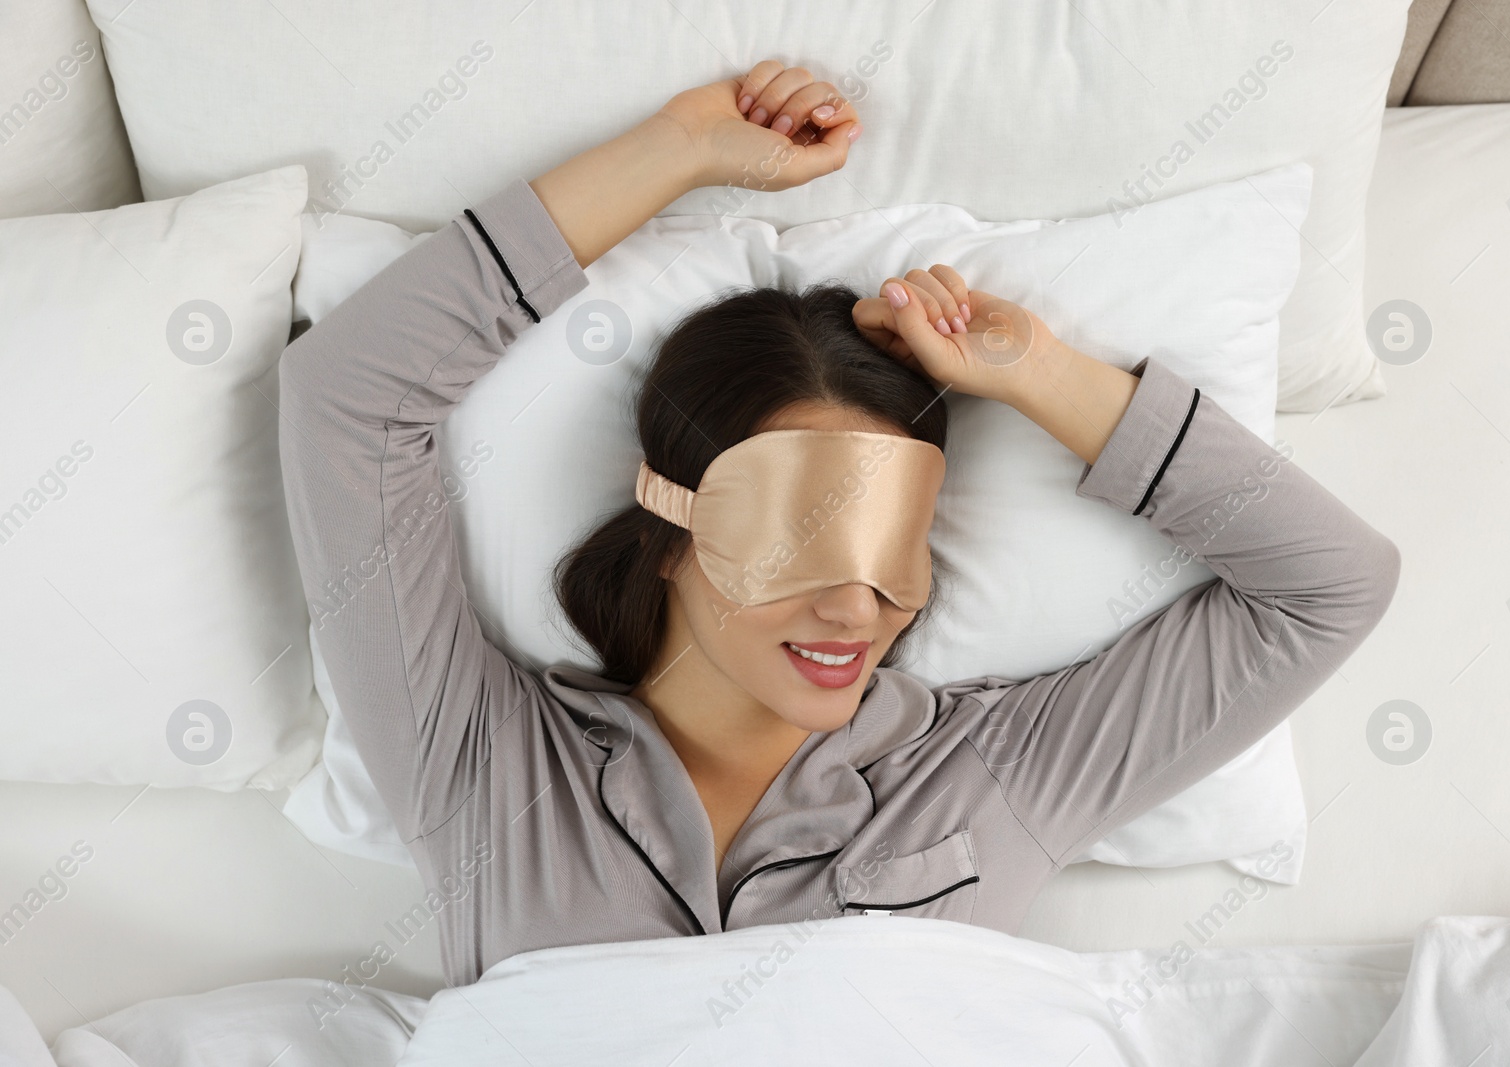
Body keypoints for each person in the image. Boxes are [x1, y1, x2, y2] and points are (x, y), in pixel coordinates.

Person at [278, 59, 1401, 988]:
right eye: (799, 539)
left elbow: (1329, 586)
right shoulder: (480, 757)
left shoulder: (1001, 771)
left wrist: (1040, 374)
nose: (854, 606)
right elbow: (347, 397)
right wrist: (675, 150)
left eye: (887, 549)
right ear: (670, 524)